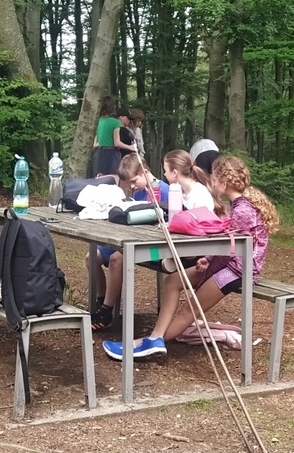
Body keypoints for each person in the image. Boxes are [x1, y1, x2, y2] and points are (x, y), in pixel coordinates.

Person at [102, 155, 280, 359]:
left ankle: (147, 343)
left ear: (224, 182)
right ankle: (155, 338)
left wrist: (209, 265)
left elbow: (235, 251)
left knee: (190, 309)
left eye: (214, 180)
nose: (212, 184)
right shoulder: (240, 205)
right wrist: (208, 259)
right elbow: (228, 244)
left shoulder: (243, 210)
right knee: (172, 281)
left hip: (238, 271)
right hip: (225, 264)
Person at [87, 154, 170, 330]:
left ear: (145, 171)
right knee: (92, 257)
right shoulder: (138, 191)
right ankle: (102, 300)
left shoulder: (164, 190)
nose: (132, 186)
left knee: (117, 259)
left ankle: (106, 312)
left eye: (133, 181)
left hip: (155, 249)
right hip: (130, 241)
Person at [93, 96, 130, 179]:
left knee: (102, 178)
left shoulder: (100, 121)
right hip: (112, 154)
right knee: (114, 178)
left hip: (101, 154)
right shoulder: (116, 123)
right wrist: (130, 147)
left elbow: (97, 142)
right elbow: (117, 143)